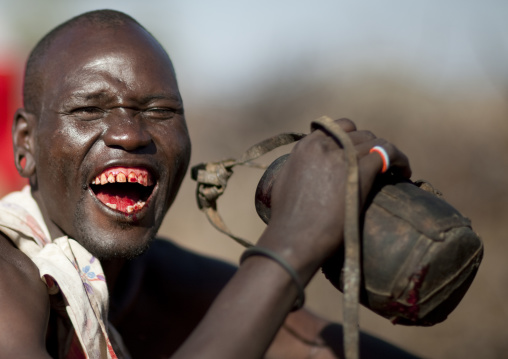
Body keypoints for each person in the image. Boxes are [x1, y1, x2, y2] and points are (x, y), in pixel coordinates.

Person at [0, 9, 418, 359]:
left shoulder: (164, 284)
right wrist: (295, 240)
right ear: (25, 144)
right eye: (89, 109)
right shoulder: (9, 278)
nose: (130, 134)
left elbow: (307, 344)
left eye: (161, 111)